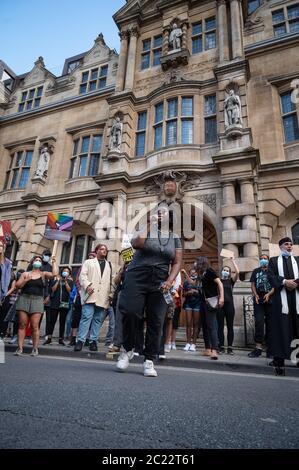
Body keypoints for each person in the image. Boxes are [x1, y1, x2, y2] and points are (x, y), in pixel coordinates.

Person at [116, 203, 182, 377]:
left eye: (164, 213)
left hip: (160, 280)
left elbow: (176, 262)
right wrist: (149, 224)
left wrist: (170, 280)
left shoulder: (175, 238)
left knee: (156, 321)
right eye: (158, 212)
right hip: (137, 275)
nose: (161, 215)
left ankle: (149, 360)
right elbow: (137, 244)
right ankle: (127, 349)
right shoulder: (143, 229)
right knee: (130, 312)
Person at [14, 254, 58, 356]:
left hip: (37, 300)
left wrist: (54, 262)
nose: (37, 261)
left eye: (39, 260)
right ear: (32, 262)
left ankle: (35, 348)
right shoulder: (25, 274)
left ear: (41, 264)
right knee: (22, 325)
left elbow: (54, 274)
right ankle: (20, 348)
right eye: (36, 260)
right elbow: (17, 286)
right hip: (24, 298)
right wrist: (25, 281)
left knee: (34, 326)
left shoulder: (43, 274)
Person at [268, 238, 299, 375]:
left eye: (291, 244)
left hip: (297, 301)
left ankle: (296, 359)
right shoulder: (274, 261)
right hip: (281, 303)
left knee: (297, 329)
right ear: (280, 246)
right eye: (286, 244)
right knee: (280, 330)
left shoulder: (298, 260)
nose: (289, 246)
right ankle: (279, 362)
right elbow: (270, 276)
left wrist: (296, 283)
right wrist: (285, 282)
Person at [74, 244, 112, 352]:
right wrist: (87, 285)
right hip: (90, 294)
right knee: (86, 317)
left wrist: (110, 295)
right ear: (96, 251)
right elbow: (82, 276)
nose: (104, 251)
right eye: (102, 249)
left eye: (105, 249)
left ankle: (93, 341)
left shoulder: (109, 265)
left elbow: (110, 281)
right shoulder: (88, 262)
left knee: (97, 320)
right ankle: (80, 341)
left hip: (103, 296)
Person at [195, 257, 224, 360]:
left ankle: (214, 350)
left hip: (211, 301)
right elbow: (196, 286)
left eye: (196, 262)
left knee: (211, 326)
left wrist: (222, 298)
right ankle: (207, 349)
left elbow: (219, 283)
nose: (195, 264)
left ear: (200, 263)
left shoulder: (209, 271)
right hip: (203, 302)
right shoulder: (201, 274)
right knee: (204, 326)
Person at [248, 254, 275, 359]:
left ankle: (270, 349)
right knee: (258, 322)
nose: (263, 260)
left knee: (270, 324)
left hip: (270, 298)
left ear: (268, 260)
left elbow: (275, 285)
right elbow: (253, 284)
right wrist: (255, 295)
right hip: (258, 299)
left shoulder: (272, 271)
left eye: (265, 259)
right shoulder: (256, 271)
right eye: (261, 259)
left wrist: (269, 294)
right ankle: (258, 348)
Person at [44, 267, 73, 346]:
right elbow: (53, 289)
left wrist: (66, 281)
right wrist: (58, 281)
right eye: (64, 271)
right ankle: (49, 338)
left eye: (67, 271)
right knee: (52, 321)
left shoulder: (70, 281)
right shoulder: (56, 280)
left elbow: (69, 290)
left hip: (64, 304)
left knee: (62, 322)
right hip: (55, 303)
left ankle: (61, 339)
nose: (65, 272)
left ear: (69, 273)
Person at [217, 258, 239, 355]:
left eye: (227, 270)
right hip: (220, 305)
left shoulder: (231, 281)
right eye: (224, 270)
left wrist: (233, 261)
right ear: (221, 271)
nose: (225, 271)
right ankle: (221, 347)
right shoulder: (218, 281)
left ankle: (230, 348)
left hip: (229, 305)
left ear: (229, 273)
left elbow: (237, 272)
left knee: (230, 326)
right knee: (220, 327)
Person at [181, 268, 202, 352]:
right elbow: (183, 294)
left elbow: (201, 293)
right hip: (188, 303)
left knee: (195, 324)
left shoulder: (199, 282)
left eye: (194, 273)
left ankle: (194, 344)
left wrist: (195, 291)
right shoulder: (186, 282)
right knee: (188, 323)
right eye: (191, 273)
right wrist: (188, 293)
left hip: (197, 303)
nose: (193, 274)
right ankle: (188, 343)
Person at [0, 239, 12, 338]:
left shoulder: (7, 262)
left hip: (2, 293)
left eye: (1, 246)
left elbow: (7, 279)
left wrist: (4, 294)